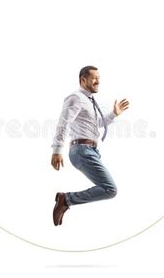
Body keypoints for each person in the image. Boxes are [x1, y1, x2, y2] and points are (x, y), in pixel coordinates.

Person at [51, 66, 130, 226]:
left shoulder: (88, 101)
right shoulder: (76, 98)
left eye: (98, 78)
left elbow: (95, 124)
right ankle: (66, 200)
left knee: (109, 189)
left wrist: (113, 114)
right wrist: (57, 150)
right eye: (94, 78)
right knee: (110, 189)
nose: (98, 81)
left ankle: (66, 200)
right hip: (81, 150)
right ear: (83, 80)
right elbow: (63, 123)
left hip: (90, 150)